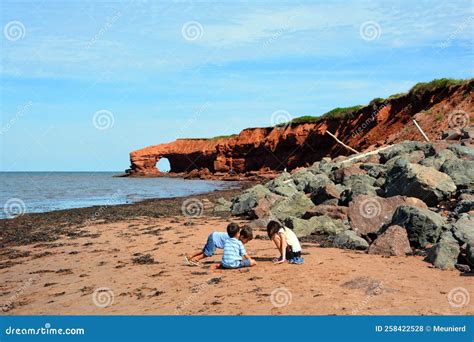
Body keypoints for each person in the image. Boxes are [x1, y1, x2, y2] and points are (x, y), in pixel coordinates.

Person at [185, 223, 249, 266]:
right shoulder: (234, 238)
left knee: (204, 251)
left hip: (213, 235)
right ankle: (196, 259)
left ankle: (190, 256)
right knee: (209, 253)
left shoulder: (233, 235)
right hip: (214, 238)